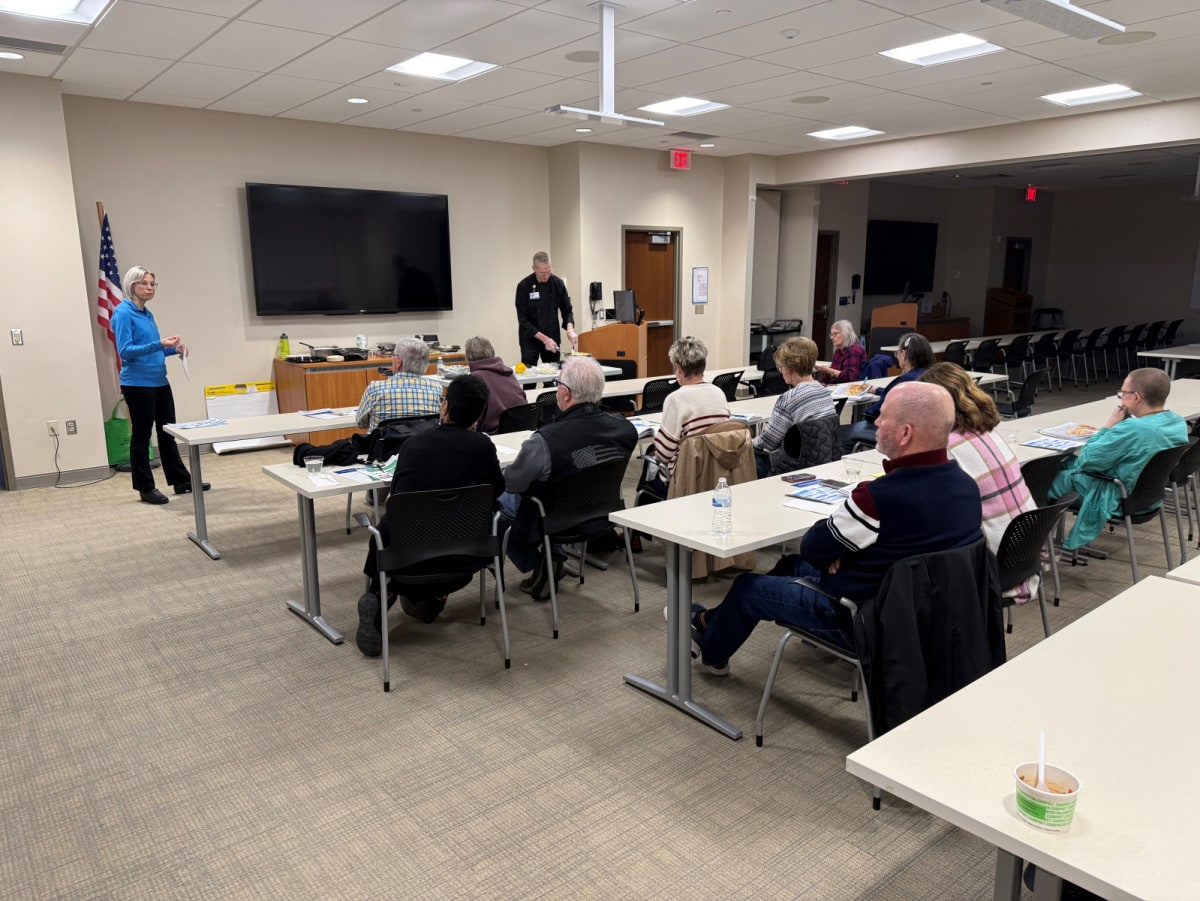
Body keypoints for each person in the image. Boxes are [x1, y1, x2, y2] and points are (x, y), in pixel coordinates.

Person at [692, 382, 983, 676]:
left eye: (882, 417)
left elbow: (813, 546)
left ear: (906, 433)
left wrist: (840, 551)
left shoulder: (878, 497)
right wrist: (843, 550)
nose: (877, 423)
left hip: (859, 618)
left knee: (747, 588)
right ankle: (707, 622)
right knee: (790, 564)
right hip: (928, 621)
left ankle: (710, 650)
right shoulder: (966, 487)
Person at [356, 375, 505, 656]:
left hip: (407, 560)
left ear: (445, 407)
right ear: (480, 413)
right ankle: (432, 598)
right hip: (466, 558)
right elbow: (498, 489)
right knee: (467, 518)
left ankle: (380, 595)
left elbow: (397, 498)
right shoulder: (483, 446)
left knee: (387, 527)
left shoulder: (413, 446)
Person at [498, 357, 638, 600]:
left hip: (555, 519)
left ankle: (542, 559)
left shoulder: (546, 440)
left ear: (564, 393)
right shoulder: (624, 428)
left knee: (496, 503)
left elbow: (512, 483)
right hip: (602, 512)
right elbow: (587, 460)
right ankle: (554, 557)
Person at [919, 362, 1039, 601]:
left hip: (989, 566)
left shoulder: (949, 448)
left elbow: (922, 508)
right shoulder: (990, 432)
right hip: (1023, 557)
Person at [1049, 367, 1188, 550]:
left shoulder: (1133, 428)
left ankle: (1036, 548)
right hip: (1147, 497)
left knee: (1037, 480)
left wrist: (1109, 426)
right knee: (1063, 465)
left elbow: (1087, 459)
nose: (1121, 398)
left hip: (1115, 495)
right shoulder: (1177, 422)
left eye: (1123, 393)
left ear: (1136, 397)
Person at [111, 266, 207, 505]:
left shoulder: (146, 313)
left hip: (158, 381)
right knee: (142, 436)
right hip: (138, 384)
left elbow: (150, 349)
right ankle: (145, 488)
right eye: (145, 283)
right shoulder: (123, 313)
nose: (150, 288)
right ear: (132, 286)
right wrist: (159, 344)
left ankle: (181, 480)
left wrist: (171, 350)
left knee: (168, 433)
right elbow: (125, 351)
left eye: (153, 284)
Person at [643, 336, 729, 496]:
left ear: (678, 368)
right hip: (717, 474)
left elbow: (663, 454)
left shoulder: (676, 399)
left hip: (685, 480)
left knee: (648, 469)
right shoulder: (719, 393)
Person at [753, 336, 837, 477]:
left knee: (742, 458)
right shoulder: (824, 392)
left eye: (781, 367)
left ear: (791, 368)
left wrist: (749, 442)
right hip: (822, 461)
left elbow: (769, 443)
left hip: (791, 467)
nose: (781, 372)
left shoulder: (790, 398)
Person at [841, 332, 933, 453]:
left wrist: (869, 411)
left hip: (889, 430)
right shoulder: (930, 376)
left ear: (904, 354)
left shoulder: (904, 381)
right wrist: (877, 390)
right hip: (917, 432)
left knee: (839, 433)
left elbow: (879, 411)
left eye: (897, 353)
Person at [355, 336, 443, 431]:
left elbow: (361, 423)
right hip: (422, 445)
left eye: (393, 356)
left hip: (385, 445)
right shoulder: (436, 389)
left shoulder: (375, 389)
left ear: (398, 361)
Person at [515, 251, 576, 367]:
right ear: (534, 268)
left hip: (552, 336)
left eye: (549, 272)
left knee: (552, 376)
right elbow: (523, 321)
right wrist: (544, 339)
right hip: (530, 339)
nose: (546, 276)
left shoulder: (558, 284)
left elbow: (567, 310)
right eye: (543, 273)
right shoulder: (523, 286)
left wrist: (570, 330)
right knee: (529, 378)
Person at [464, 335, 528, 434]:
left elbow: (472, 420)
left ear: (468, 356)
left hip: (494, 434)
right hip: (522, 429)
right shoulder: (508, 372)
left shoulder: (475, 378)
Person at [815, 320, 865, 385]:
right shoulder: (838, 351)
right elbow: (829, 376)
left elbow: (851, 377)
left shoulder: (854, 351)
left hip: (848, 389)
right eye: (831, 334)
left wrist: (828, 370)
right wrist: (822, 384)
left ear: (846, 334)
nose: (832, 337)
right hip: (836, 386)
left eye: (835, 334)